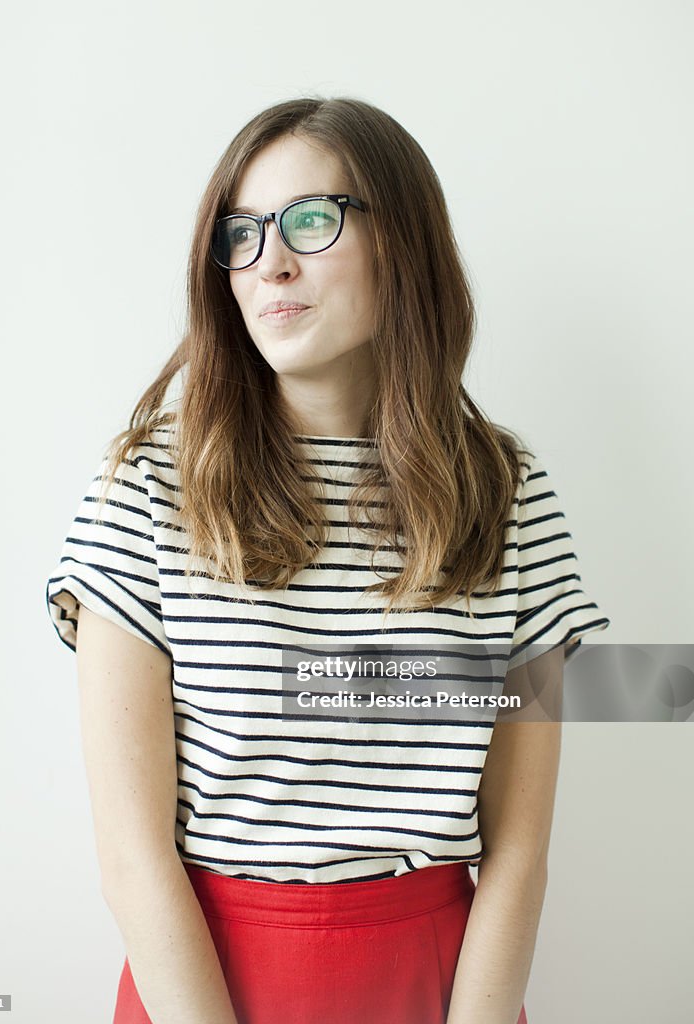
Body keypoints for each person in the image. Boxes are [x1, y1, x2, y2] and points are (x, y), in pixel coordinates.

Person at [46, 97, 610, 1024]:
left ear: (404, 243)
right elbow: (131, 858)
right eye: (243, 233)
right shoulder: (147, 484)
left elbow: (517, 853)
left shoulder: (507, 491)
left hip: (438, 980)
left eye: (311, 219)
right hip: (202, 983)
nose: (270, 261)